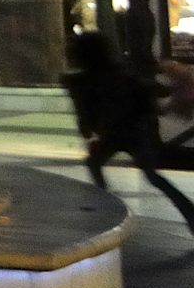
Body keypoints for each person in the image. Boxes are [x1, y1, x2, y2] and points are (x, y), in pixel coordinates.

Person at [63, 29, 194, 234]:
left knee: (96, 162)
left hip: (120, 133)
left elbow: (85, 115)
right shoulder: (118, 73)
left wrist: (88, 129)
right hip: (134, 131)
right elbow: (149, 90)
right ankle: (190, 215)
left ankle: (106, 208)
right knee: (152, 176)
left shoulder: (85, 81)